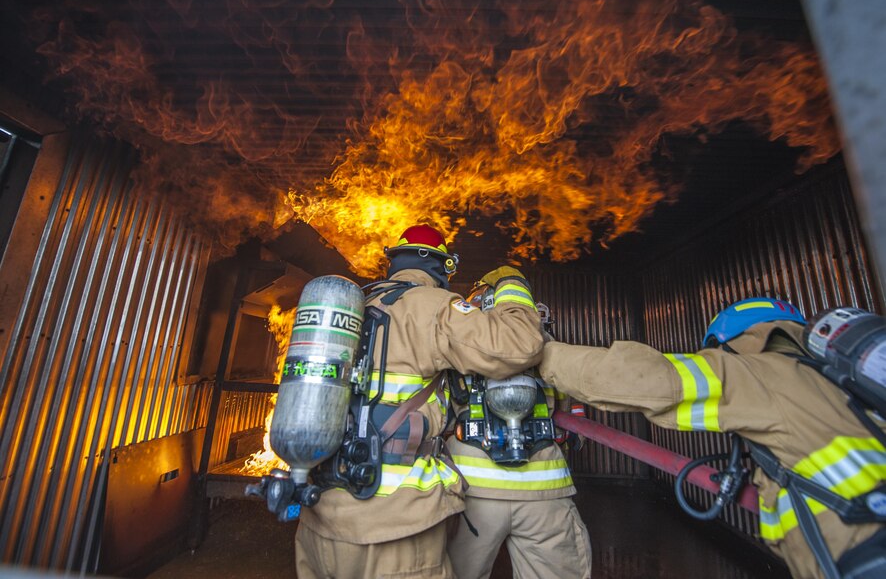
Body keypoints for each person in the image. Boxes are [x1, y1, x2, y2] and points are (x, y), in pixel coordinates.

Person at [538, 297, 885, 579]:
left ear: (731, 342)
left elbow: (645, 381)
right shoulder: (831, 382)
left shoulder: (761, 372)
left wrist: (536, 352)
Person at [294, 224, 545, 579]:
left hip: (319, 518)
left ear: (394, 262)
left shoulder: (353, 306)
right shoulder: (433, 306)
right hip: (394, 527)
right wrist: (511, 289)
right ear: (440, 266)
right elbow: (520, 345)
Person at [445, 282, 592, 579]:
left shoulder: (461, 343)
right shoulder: (543, 341)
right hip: (544, 493)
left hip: (472, 494)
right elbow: (572, 402)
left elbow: (439, 413)